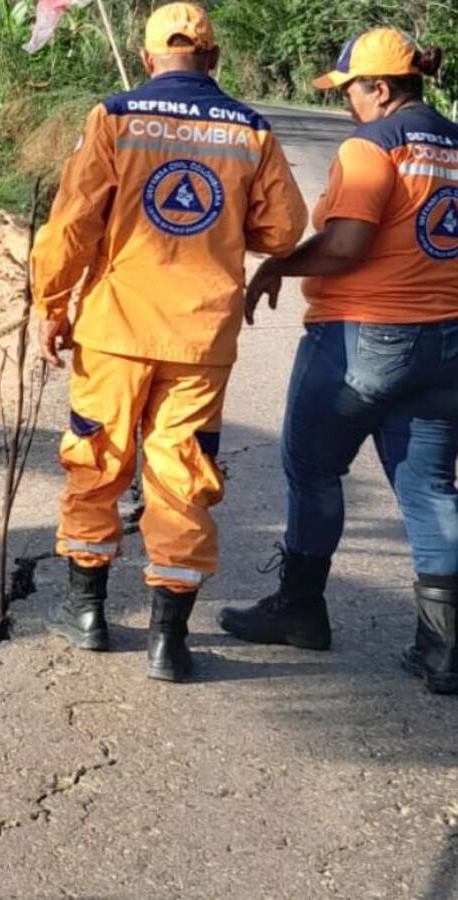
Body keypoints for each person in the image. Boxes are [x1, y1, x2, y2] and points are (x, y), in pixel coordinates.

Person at [31, 2, 307, 682]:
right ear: (212, 60)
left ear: (150, 57)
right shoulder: (251, 131)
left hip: (115, 331)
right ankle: (168, 643)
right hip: (201, 338)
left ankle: (88, 615)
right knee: (182, 476)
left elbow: (71, 226)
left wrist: (51, 305)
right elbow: (282, 232)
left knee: (97, 461)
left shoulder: (115, 118)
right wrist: (223, 227)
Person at [220, 29, 458, 695]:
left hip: (363, 336)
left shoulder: (372, 146)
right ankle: (444, 650)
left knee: (315, 470)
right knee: (431, 490)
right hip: (447, 343)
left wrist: (280, 265)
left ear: (380, 88)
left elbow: (347, 244)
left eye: (351, 88)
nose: (348, 101)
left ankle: (300, 609)